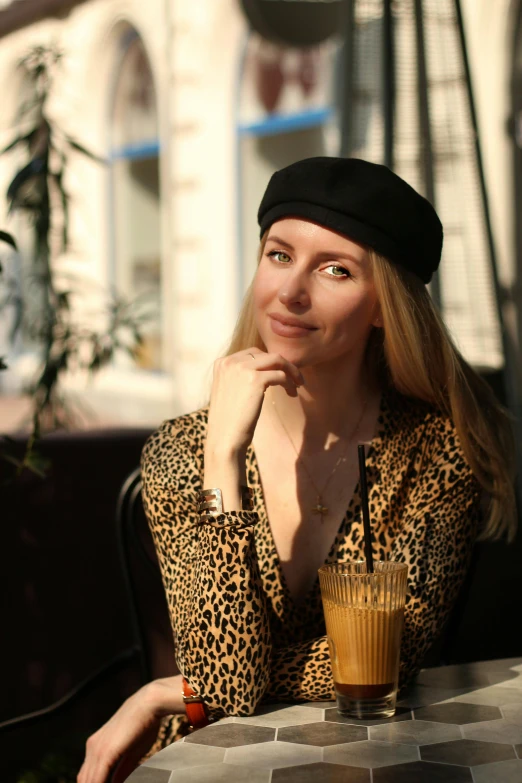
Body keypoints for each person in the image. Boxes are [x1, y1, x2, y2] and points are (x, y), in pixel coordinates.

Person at [78, 157, 517, 782]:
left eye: (335, 269)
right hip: (212, 762)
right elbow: (226, 687)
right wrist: (223, 460)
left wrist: (162, 692)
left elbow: (391, 659)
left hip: (373, 764)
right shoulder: (184, 450)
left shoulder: (434, 451)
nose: (290, 292)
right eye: (279, 255)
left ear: (383, 308)